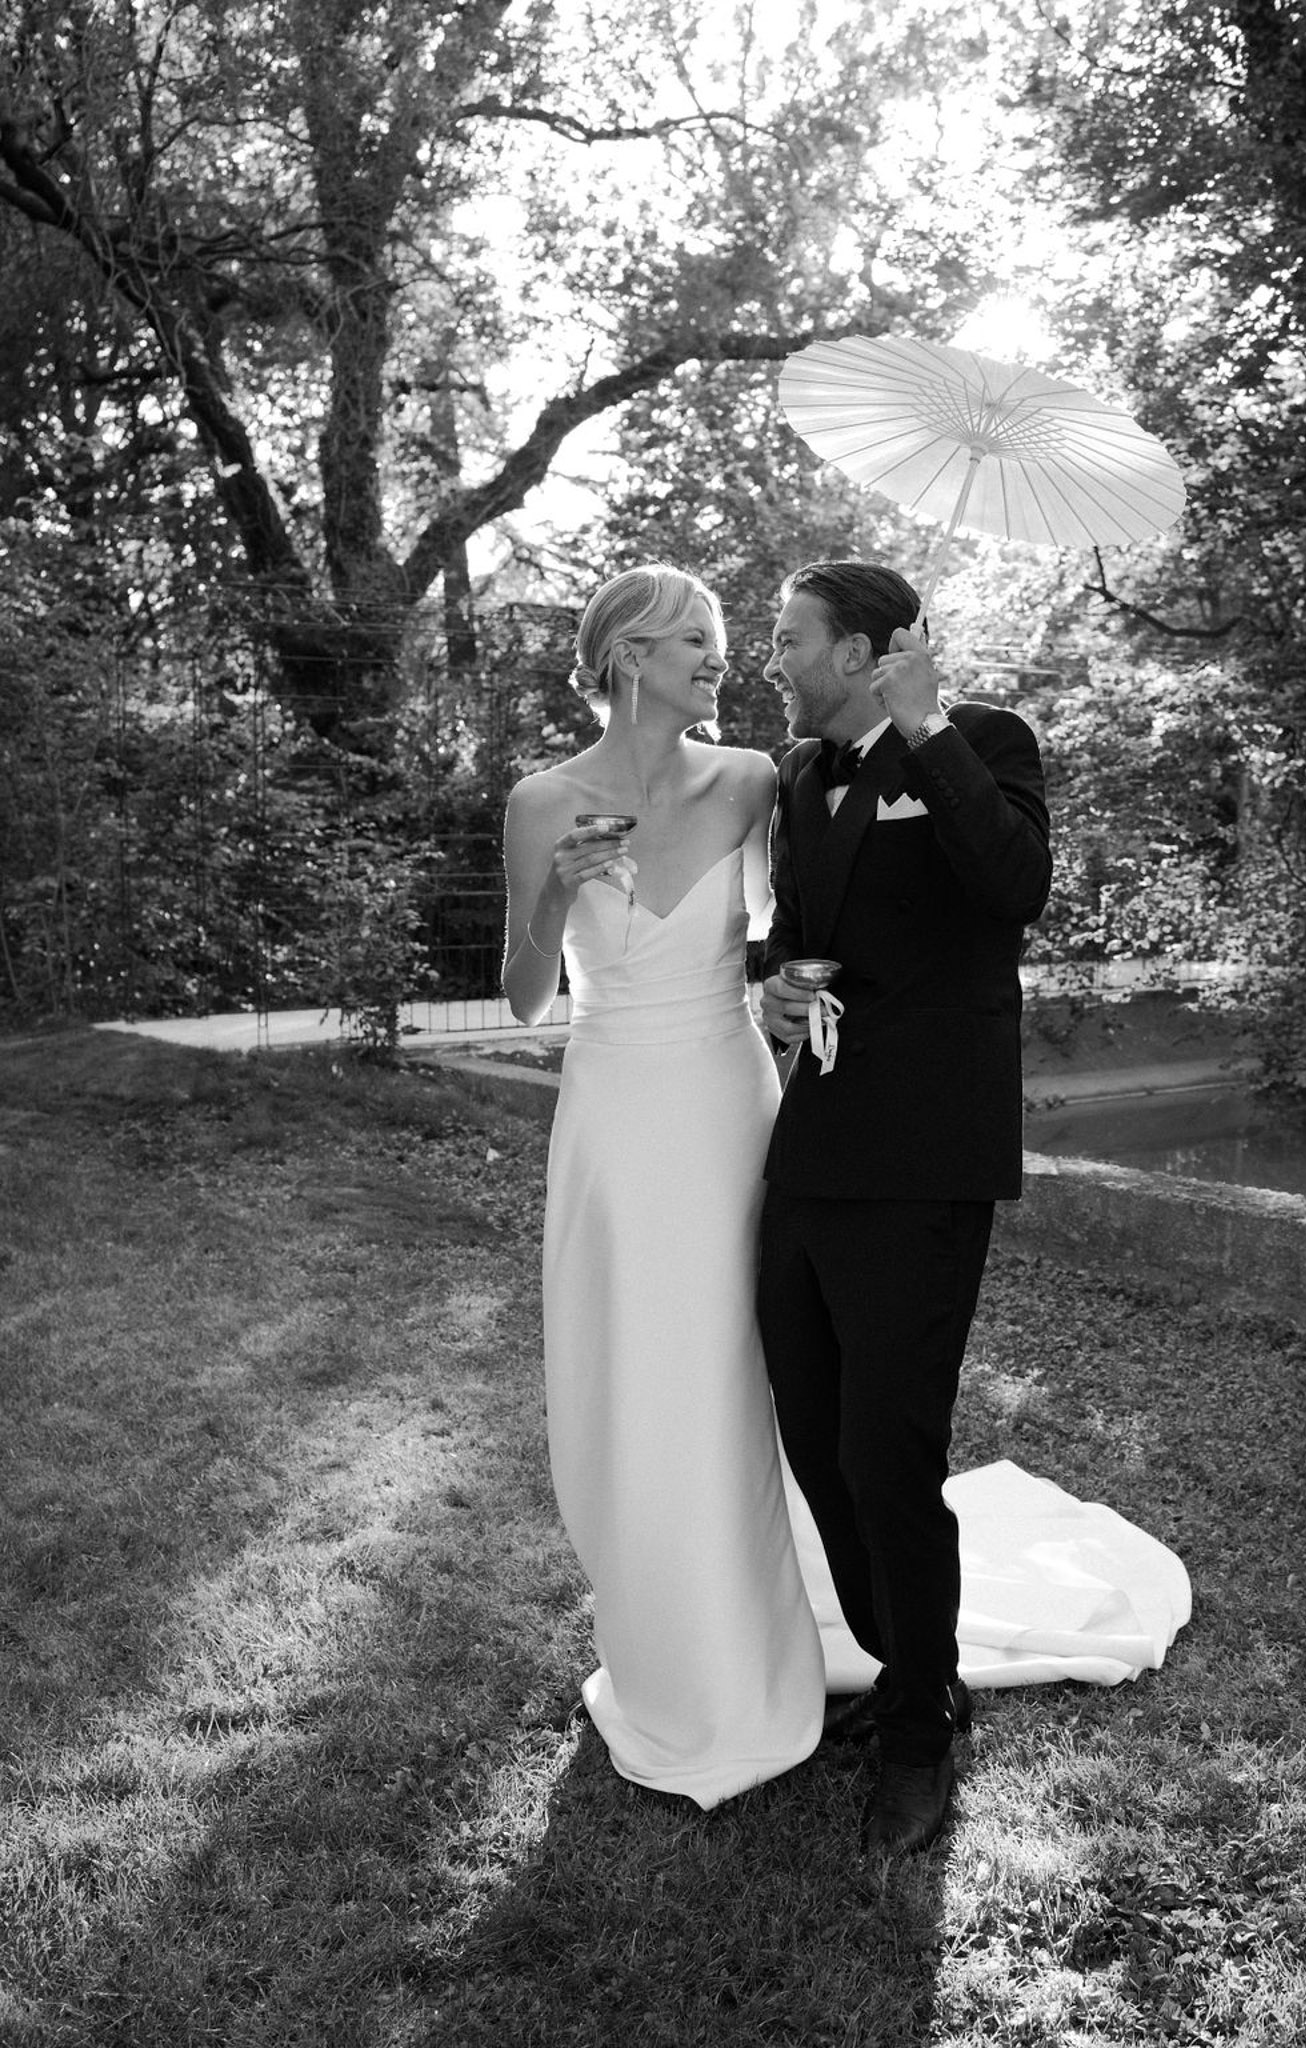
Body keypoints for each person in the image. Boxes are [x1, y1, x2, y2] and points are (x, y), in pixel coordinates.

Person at [501, 562, 825, 1808]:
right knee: (640, 1376)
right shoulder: (542, 799)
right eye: (695, 638)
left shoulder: (751, 779)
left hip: (728, 1102)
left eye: (720, 638)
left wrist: (791, 988)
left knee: (739, 1361)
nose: (718, 656)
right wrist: (553, 889)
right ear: (628, 655)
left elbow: (795, 930)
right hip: (618, 1116)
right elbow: (527, 997)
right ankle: (666, 1643)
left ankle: (764, 1639)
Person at [756, 559, 1054, 1857]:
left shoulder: (983, 740)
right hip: (813, 1145)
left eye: (791, 639)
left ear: (861, 651)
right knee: (812, 1426)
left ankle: (921, 1733)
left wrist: (927, 728)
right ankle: (904, 1659)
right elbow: (800, 934)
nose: (774, 659)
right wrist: (778, 985)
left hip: (928, 1155)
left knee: (890, 1446)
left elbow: (1015, 886)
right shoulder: (798, 776)